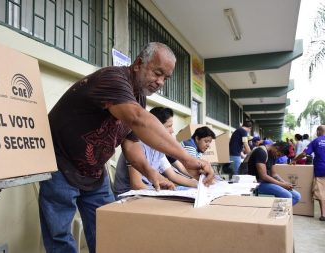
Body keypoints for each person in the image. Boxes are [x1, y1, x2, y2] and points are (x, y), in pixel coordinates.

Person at [38, 42, 214, 253]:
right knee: (59, 236)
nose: (160, 82)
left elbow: (131, 143)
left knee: (106, 228)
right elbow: (139, 120)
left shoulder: (137, 96)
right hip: (62, 162)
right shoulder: (113, 79)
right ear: (139, 63)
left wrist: (151, 172)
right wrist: (186, 158)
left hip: (94, 171)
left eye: (165, 78)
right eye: (157, 73)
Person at [114, 107, 198, 196]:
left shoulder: (159, 147)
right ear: (156, 128)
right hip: (128, 195)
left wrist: (199, 184)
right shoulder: (137, 145)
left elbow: (173, 175)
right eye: (169, 126)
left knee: (183, 191)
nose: (172, 130)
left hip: (146, 191)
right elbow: (137, 185)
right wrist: (163, 191)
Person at [292, 125, 325, 220]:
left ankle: (323, 215)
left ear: (318, 131)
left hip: (321, 169)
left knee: (321, 191)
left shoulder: (316, 141)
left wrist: (294, 160)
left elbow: (304, 153)